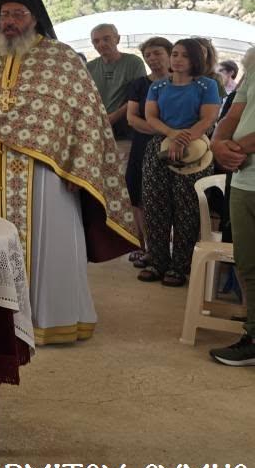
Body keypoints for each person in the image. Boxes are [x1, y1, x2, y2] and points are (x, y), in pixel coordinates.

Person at [0, 0, 137, 345]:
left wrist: (68, 153)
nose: (10, 21)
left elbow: (83, 117)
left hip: (44, 173)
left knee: (48, 241)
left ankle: (50, 320)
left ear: (35, 17)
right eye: (5, 14)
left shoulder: (62, 59)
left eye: (18, 13)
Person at [139, 38, 221, 286]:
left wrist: (184, 139)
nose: (177, 59)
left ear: (196, 59)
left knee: (187, 208)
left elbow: (208, 119)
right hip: (159, 147)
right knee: (154, 205)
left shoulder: (207, 85)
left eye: (184, 55)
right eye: (174, 54)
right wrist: (172, 134)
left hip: (195, 149)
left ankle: (180, 266)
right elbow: (150, 116)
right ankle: (156, 261)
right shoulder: (158, 85)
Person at [210, 45, 255, 365]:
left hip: (241, 165)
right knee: (248, 264)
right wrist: (216, 144)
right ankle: (253, 337)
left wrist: (234, 148)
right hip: (243, 181)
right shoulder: (252, 68)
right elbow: (233, 114)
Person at [124, 37, 173, 269]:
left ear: (170, 54)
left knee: (167, 196)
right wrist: (163, 131)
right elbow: (132, 118)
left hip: (177, 147)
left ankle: (164, 249)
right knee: (137, 194)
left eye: (157, 53)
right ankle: (142, 246)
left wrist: (172, 136)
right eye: (148, 55)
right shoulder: (139, 84)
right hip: (143, 145)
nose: (153, 58)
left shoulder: (184, 83)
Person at [86, 23, 146, 143]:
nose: (101, 44)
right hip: (98, 126)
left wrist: (113, 117)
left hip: (127, 127)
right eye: (96, 41)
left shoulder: (133, 62)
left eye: (106, 39)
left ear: (117, 39)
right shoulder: (89, 67)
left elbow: (139, 96)